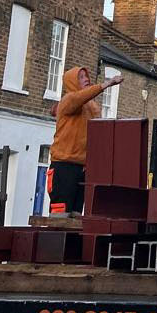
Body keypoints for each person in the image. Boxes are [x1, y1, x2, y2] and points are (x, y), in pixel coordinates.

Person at [49, 66, 121, 215]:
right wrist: (106, 84)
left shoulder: (91, 107)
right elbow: (79, 98)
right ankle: (55, 237)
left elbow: (96, 136)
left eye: (86, 76)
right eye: (81, 77)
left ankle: (72, 239)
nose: (86, 79)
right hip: (63, 165)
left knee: (76, 214)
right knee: (60, 213)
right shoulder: (69, 99)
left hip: (81, 167)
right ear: (72, 82)